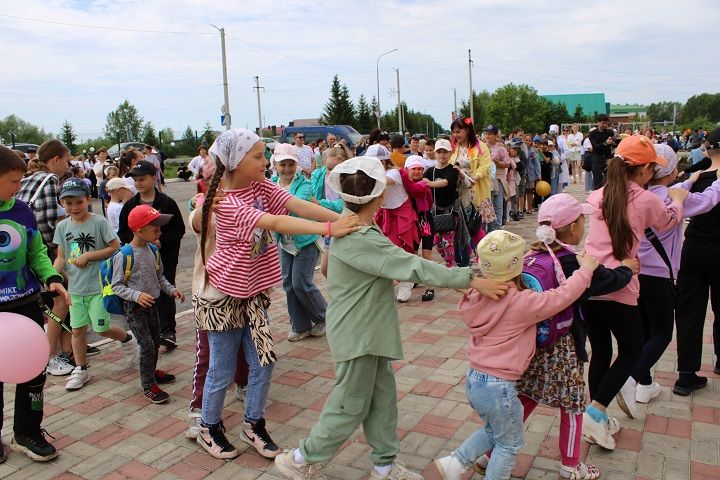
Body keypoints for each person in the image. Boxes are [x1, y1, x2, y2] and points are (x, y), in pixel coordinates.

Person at [274, 156, 509, 480]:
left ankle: (384, 467)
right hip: (358, 336)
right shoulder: (360, 237)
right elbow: (412, 265)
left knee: (382, 401)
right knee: (350, 404)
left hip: (368, 331)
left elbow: (336, 267)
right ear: (379, 197)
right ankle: (301, 459)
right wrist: (469, 278)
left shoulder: (354, 225)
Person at [195, 129, 359, 460]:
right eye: (257, 156)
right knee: (223, 369)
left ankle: (253, 423)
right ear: (235, 163)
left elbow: (294, 204)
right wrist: (331, 229)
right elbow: (276, 221)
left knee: (264, 363)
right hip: (223, 297)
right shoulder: (225, 204)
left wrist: (346, 219)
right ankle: (208, 427)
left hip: (253, 294)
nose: (265, 161)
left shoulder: (259, 185)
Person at [469, 194, 637, 480]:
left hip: (533, 343)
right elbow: (607, 281)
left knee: (527, 396)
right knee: (572, 404)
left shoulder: (530, 256)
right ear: (572, 227)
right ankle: (571, 467)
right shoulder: (572, 262)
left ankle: (488, 456)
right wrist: (627, 270)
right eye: (582, 221)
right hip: (563, 347)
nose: (583, 225)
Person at [434, 230, 598, 480]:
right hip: (499, 387)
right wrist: (585, 270)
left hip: (475, 380)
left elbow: (461, 288)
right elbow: (562, 296)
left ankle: (455, 463)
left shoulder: (476, 296)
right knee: (509, 444)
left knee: (495, 431)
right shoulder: (522, 302)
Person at [582, 135, 687, 449]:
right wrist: (679, 199)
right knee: (631, 352)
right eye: (651, 167)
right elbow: (668, 223)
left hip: (590, 284)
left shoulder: (598, 194)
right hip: (621, 285)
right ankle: (596, 412)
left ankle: (595, 413)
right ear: (643, 171)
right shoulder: (647, 199)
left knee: (601, 352)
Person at [625, 144, 720, 402]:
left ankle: (646, 385)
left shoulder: (635, 194)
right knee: (661, 333)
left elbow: (674, 194)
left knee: (646, 329)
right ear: (669, 171)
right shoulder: (667, 200)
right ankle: (631, 378)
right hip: (659, 275)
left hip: (634, 272)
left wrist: (689, 181)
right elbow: (706, 201)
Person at [0, 145, 69, 462]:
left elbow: (37, 253)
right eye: (14, 180)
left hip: (25, 303)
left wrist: (51, 277)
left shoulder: (22, 210)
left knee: (33, 372)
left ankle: (27, 433)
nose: (19, 186)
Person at [52, 178, 136, 391]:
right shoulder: (62, 226)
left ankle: (127, 338)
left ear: (88, 199)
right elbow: (61, 257)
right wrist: (51, 277)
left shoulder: (98, 222)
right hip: (75, 290)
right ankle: (81, 368)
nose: (74, 207)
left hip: (99, 287)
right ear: (62, 203)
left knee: (101, 327)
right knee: (77, 330)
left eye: (79, 202)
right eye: (68, 203)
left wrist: (90, 255)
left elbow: (115, 247)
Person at [185, 192, 249, 439]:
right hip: (210, 297)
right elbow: (197, 221)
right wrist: (207, 204)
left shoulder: (255, 199)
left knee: (246, 345)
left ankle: (242, 383)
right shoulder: (207, 205)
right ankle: (199, 408)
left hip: (245, 292)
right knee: (208, 354)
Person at [112, 205, 185, 403]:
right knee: (146, 345)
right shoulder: (124, 255)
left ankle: (151, 371)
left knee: (154, 341)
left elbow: (160, 277)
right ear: (140, 231)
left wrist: (172, 290)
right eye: (155, 229)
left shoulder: (153, 250)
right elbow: (116, 286)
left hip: (154, 305)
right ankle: (148, 385)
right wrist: (136, 295)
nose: (159, 232)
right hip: (135, 309)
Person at [15, 139, 74, 376]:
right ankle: (48, 357)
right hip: (45, 254)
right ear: (56, 159)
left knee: (56, 303)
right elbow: (49, 222)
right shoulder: (49, 180)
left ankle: (68, 349)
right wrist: (59, 253)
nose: (67, 165)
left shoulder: (28, 177)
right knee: (59, 302)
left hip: (23, 252)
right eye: (67, 160)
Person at [118, 160, 185, 352]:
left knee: (166, 289)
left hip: (164, 257)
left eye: (142, 179)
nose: (138, 183)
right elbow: (123, 232)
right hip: (138, 259)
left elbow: (178, 229)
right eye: (135, 180)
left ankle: (168, 330)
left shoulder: (166, 203)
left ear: (152, 178)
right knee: (143, 291)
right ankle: (147, 331)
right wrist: (137, 243)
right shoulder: (130, 205)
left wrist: (161, 241)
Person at [674, 127, 720, 396]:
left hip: (693, 249)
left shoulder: (694, 177)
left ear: (706, 148)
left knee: (689, 312)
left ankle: (686, 374)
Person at [271, 144, 328, 341]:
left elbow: (296, 205)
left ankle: (324, 317)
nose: (287, 168)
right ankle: (300, 325)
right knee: (288, 284)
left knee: (301, 283)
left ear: (296, 165)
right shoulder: (271, 182)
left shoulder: (304, 184)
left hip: (306, 241)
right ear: (275, 165)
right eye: (283, 164)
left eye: (291, 164)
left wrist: (271, 210)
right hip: (284, 242)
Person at [373, 146, 420, 302]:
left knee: (404, 248)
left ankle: (405, 284)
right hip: (387, 213)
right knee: (390, 250)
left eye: (377, 162)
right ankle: (404, 279)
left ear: (385, 161)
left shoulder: (394, 173)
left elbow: (383, 182)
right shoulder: (374, 174)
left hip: (402, 212)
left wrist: (363, 176)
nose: (374, 165)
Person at [450, 119, 494, 265]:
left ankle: (485, 258)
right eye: (454, 132)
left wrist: (473, 177)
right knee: (462, 227)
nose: (456, 135)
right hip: (460, 193)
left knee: (477, 227)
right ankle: (466, 258)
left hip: (477, 191)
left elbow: (484, 167)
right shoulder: (454, 148)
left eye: (458, 131)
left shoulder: (480, 147)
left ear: (467, 130)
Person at [310, 145, 348, 277]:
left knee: (338, 263)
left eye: (336, 169)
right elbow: (312, 195)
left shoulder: (348, 178)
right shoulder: (318, 174)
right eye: (329, 168)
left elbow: (343, 204)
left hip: (342, 220)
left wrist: (320, 203)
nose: (331, 172)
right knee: (326, 268)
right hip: (326, 223)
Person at [484, 125, 510, 231]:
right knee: (486, 204)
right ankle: (488, 227)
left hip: (498, 179)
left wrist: (497, 162)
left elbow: (507, 164)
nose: (488, 136)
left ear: (495, 135)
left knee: (498, 204)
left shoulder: (501, 149)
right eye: (486, 134)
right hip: (485, 179)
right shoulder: (482, 147)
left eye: (490, 134)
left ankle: (497, 226)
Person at [588, 114, 616, 189]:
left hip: (608, 158)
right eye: (603, 123)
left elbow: (614, 146)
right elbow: (595, 147)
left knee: (610, 180)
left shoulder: (610, 132)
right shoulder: (592, 134)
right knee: (597, 181)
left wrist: (615, 142)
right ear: (598, 122)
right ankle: (597, 198)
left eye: (606, 123)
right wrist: (605, 143)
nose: (605, 125)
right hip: (597, 158)